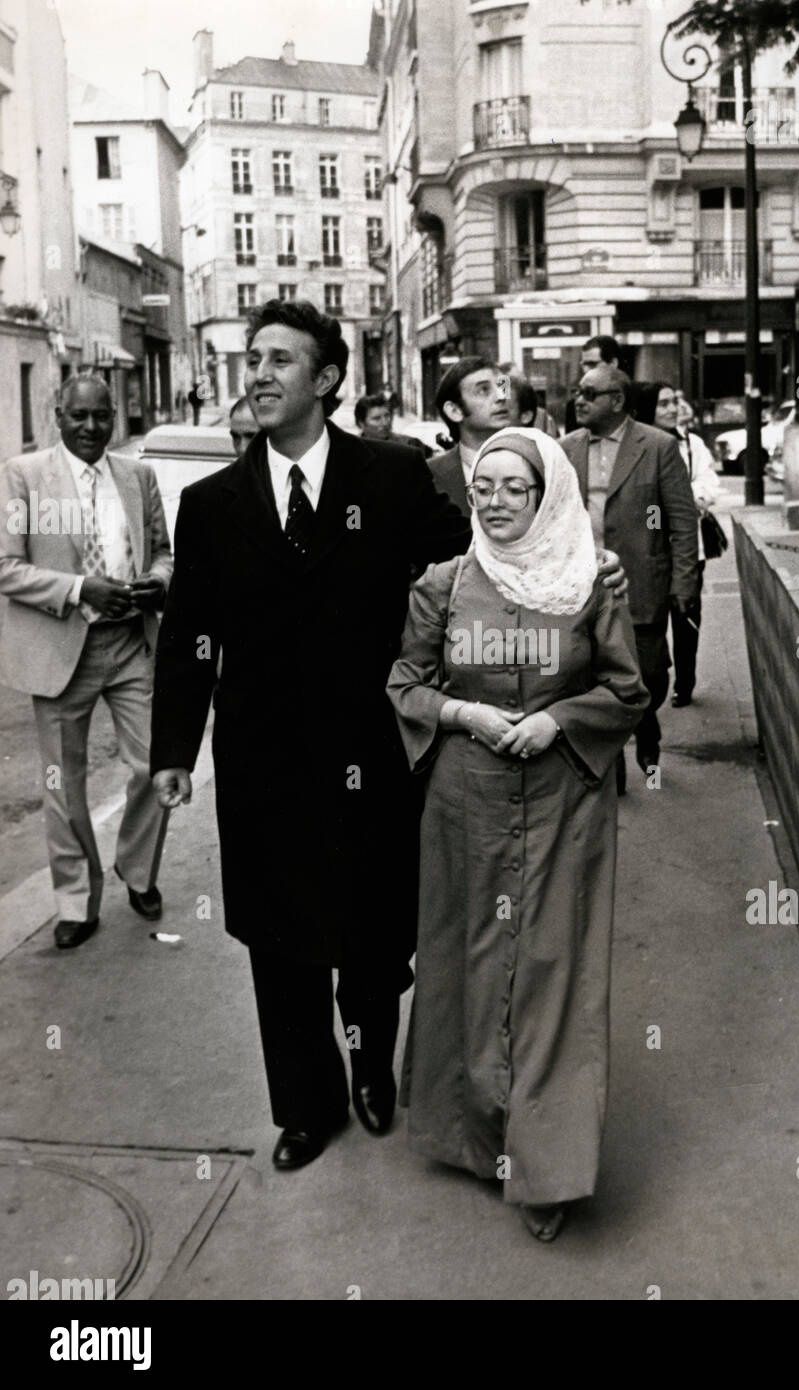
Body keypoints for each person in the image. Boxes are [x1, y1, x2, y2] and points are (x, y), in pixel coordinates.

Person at [149, 299, 474, 1172]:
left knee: (371, 931)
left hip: (373, 751)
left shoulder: (395, 477)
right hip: (263, 763)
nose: (257, 374)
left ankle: (372, 1068)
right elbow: (188, 633)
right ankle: (304, 1104)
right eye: (252, 359)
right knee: (278, 940)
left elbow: (463, 574)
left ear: (327, 380)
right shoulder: (213, 505)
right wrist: (174, 752)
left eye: (280, 360)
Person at [387, 427, 648, 1243]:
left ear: (547, 495)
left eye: (514, 488)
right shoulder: (442, 582)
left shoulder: (589, 582)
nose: (495, 503)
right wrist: (460, 712)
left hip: (565, 801)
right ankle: (476, 1137)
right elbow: (405, 681)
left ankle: (548, 1174)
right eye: (484, 488)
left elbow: (627, 690)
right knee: (468, 963)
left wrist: (560, 722)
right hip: (465, 803)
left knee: (552, 975)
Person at [0, 375, 173, 948]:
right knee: (62, 783)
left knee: (157, 765)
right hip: (60, 645)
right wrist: (79, 588)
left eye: (102, 417)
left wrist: (157, 581)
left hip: (130, 644)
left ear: (115, 416)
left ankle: (138, 869)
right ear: (58, 415)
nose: (92, 428)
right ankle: (76, 901)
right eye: (79, 418)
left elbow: (165, 551)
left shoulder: (138, 475)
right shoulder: (23, 477)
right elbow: (6, 566)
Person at [561, 364, 699, 783]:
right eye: (577, 393)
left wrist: (683, 584)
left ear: (617, 400)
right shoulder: (566, 448)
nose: (578, 401)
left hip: (642, 585)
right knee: (592, 679)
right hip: (583, 587)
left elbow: (681, 521)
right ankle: (613, 759)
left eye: (589, 393)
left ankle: (645, 723)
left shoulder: (657, 446)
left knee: (652, 678)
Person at [651, 384, 722, 706]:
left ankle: (685, 683)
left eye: (674, 401)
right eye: (663, 403)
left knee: (687, 619)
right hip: (650, 549)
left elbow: (708, 484)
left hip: (689, 547)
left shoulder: (692, 445)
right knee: (650, 623)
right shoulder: (639, 446)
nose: (671, 408)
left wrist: (680, 498)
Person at [427, 358, 512, 513]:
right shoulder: (428, 476)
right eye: (483, 390)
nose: (501, 397)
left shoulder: (539, 463)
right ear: (454, 411)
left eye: (502, 386)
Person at [354, 392, 434, 458]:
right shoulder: (352, 450)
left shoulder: (409, 444)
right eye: (377, 419)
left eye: (387, 416)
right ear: (361, 423)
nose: (385, 422)